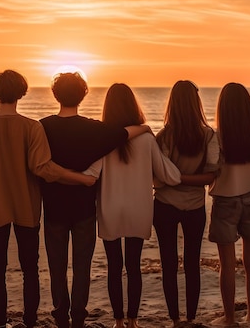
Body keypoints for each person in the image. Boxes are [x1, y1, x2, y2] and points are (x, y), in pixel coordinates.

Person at [0, 70, 95, 328]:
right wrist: (78, 177)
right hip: (27, 207)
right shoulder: (32, 127)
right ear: (22, 93)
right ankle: (29, 322)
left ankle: (0, 323)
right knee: (30, 270)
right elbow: (43, 168)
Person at [40, 73, 149, 328]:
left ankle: (60, 315)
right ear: (84, 94)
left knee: (57, 266)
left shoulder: (43, 126)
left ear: (56, 95)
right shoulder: (93, 129)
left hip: (54, 208)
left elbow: (37, 165)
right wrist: (145, 128)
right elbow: (124, 134)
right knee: (82, 267)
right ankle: (78, 316)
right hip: (84, 210)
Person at [95, 83, 181, 328]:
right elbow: (170, 176)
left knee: (114, 266)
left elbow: (93, 174)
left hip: (110, 208)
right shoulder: (145, 139)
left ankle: (118, 321)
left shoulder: (103, 140)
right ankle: (133, 320)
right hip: (138, 209)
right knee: (133, 265)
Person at [208, 82, 250, 326]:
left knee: (227, 265)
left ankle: (229, 318)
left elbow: (212, 169)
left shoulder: (219, 137)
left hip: (226, 202)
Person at [152, 80, 220, 326]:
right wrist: (190, 180)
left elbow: (162, 177)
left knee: (168, 263)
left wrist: (176, 178)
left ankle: (174, 319)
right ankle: (190, 318)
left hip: (164, 205)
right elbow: (211, 175)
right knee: (193, 263)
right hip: (194, 207)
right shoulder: (209, 135)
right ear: (196, 103)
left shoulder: (164, 136)